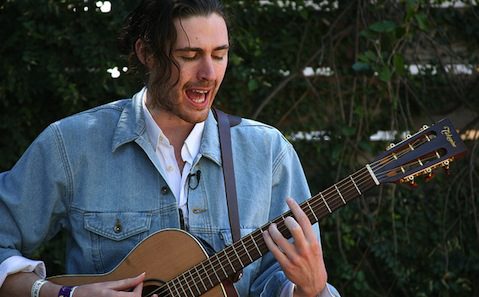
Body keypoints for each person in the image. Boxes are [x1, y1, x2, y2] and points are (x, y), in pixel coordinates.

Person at [0, 1, 340, 296]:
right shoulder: (72, 145)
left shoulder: (268, 153)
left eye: (219, 55)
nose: (208, 73)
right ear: (147, 54)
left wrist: (310, 290)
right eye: (189, 56)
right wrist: (62, 294)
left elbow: (279, 282)